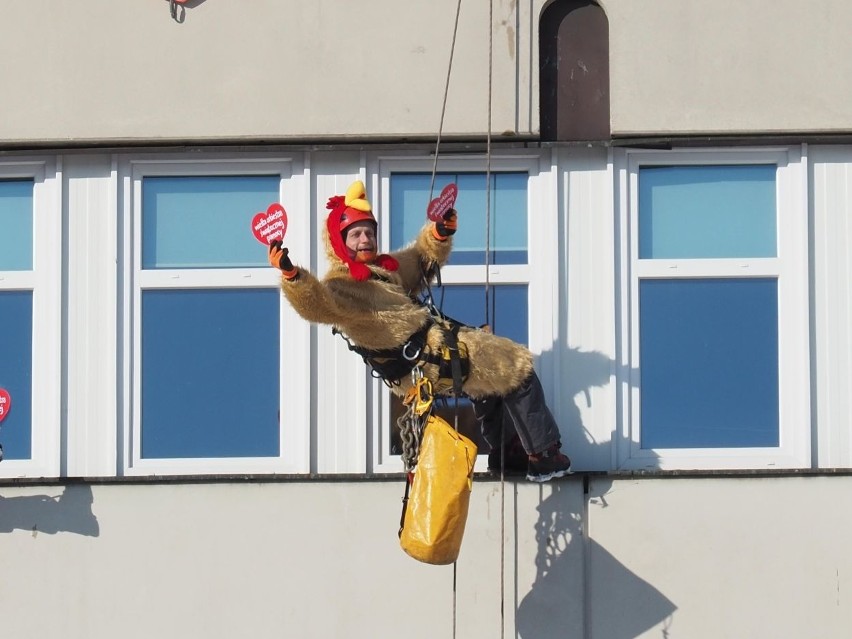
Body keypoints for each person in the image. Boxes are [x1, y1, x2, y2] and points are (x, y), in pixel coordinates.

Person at [268, 180, 571, 482]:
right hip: (424, 357)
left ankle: (508, 453)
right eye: (356, 234)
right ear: (339, 241)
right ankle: (544, 455)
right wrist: (293, 276)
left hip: (428, 355)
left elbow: (420, 259)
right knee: (518, 366)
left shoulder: (384, 270)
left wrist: (438, 233)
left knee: (488, 378)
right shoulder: (343, 286)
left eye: (370, 232)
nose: (365, 240)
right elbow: (317, 305)